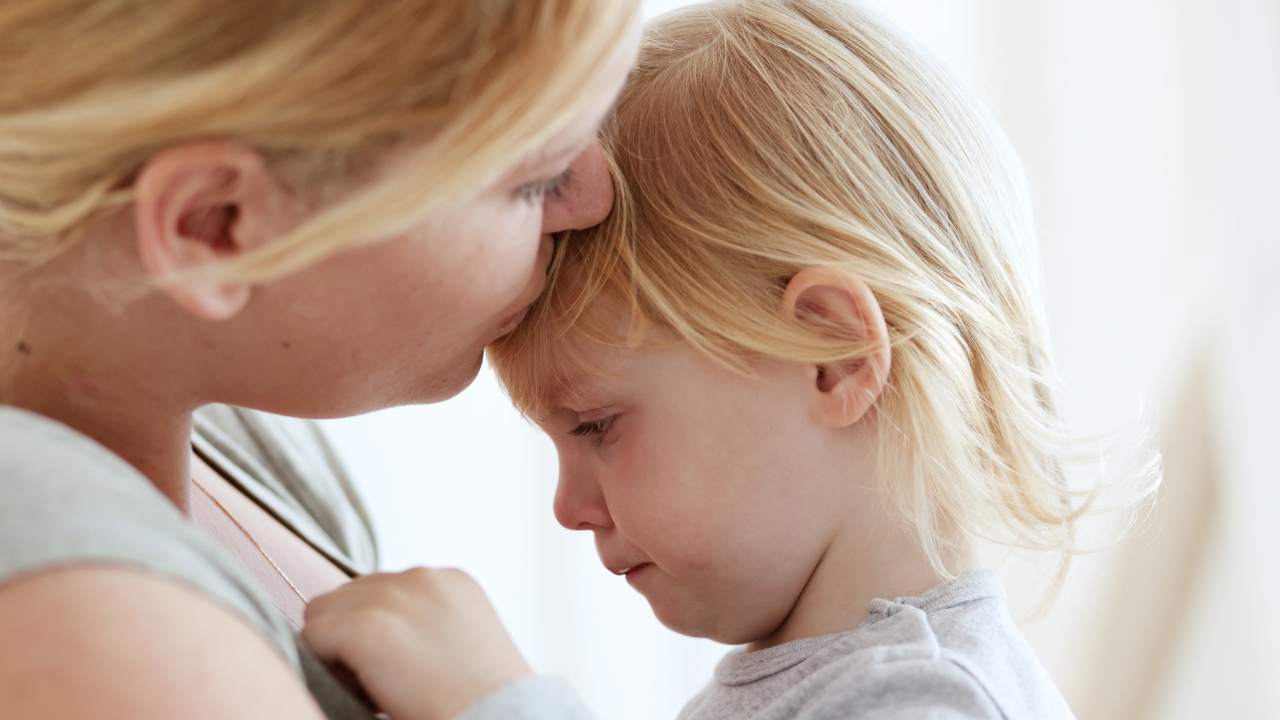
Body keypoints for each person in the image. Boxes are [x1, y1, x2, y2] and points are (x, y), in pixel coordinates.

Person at [300, 1, 1162, 718]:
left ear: (836, 355)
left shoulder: (923, 699)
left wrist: (503, 706)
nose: (567, 506)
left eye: (597, 424)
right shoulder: (829, 679)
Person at [0, 0, 641, 717]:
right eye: (533, 180)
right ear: (213, 225)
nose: (596, 199)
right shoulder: (89, 629)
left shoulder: (239, 442)